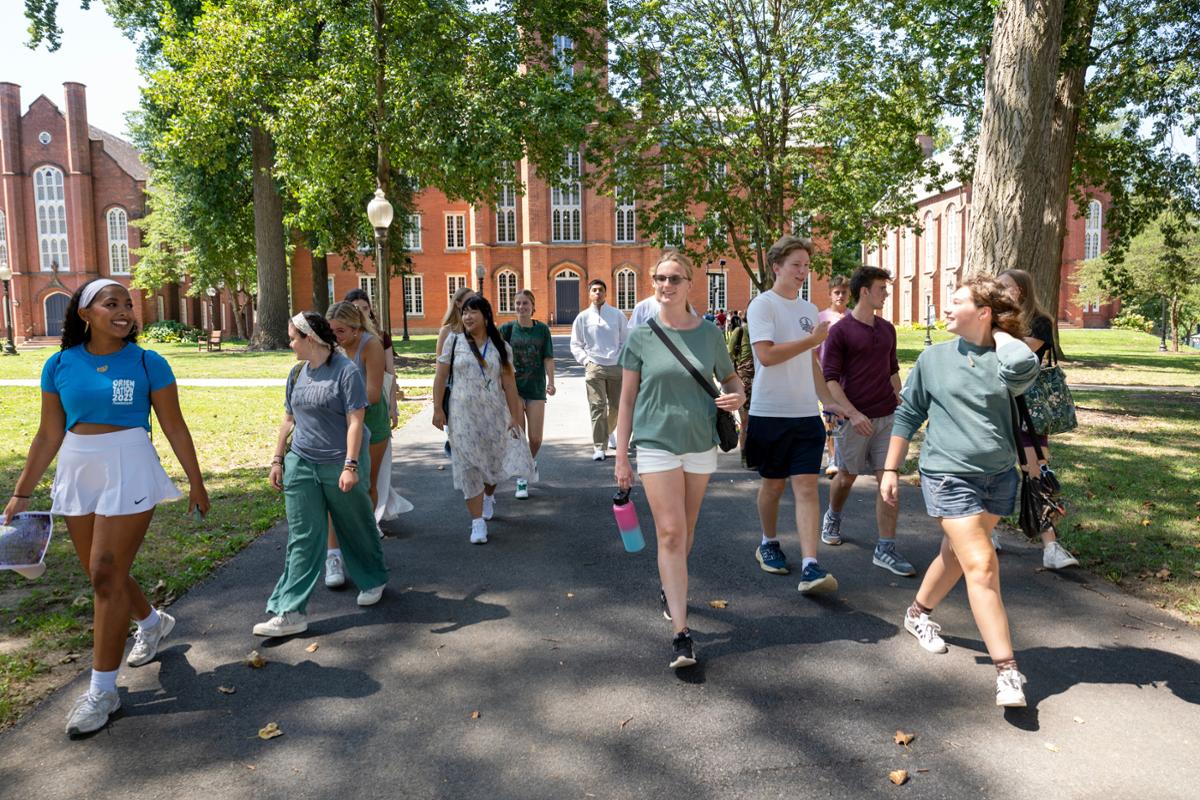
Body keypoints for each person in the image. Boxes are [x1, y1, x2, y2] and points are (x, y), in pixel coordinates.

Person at [3, 278, 209, 737]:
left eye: (127, 304)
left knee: (104, 573)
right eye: (110, 303)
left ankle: (103, 691)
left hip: (129, 463)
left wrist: (195, 482)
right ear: (84, 313)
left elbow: (174, 426)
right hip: (78, 466)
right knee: (102, 574)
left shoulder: (146, 362)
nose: (123, 311)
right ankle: (153, 623)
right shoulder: (59, 365)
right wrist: (21, 493)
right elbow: (48, 434)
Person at [880, 277, 1039, 708]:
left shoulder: (1008, 358)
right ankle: (1007, 670)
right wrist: (891, 468)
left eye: (956, 302)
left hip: (999, 476)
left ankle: (917, 615)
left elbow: (1025, 370)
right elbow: (909, 413)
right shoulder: (933, 358)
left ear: (983, 312)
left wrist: (1002, 335)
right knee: (982, 563)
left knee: (956, 554)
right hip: (947, 474)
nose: (944, 308)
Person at [614, 251, 744, 669]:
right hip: (655, 443)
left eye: (673, 278)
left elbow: (731, 378)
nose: (665, 286)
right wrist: (621, 456)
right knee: (670, 533)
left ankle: (670, 586)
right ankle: (682, 635)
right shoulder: (641, 337)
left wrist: (737, 395)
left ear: (690, 283)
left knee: (685, 532)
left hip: (700, 443)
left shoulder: (709, 335)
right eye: (658, 278)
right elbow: (627, 399)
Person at [259, 312, 389, 638]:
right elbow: (288, 420)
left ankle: (373, 578)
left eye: (293, 338)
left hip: (338, 463)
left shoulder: (345, 372)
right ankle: (290, 611)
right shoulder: (297, 373)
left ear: (311, 338)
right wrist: (277, 460)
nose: (290, 344)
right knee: (302, 537)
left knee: (355, 525)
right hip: (301, 463)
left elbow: (356, 421)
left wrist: (350, 466)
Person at [744, 236, 846, 593]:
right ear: (777, 267)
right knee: (772, 485)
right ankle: (768, 542)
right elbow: (768, 356)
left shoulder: (807, 309)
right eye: (796, 265)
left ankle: (810, 565)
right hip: (770, 413)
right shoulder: (763, 306)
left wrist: (829, 400)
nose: (803, 272)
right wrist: (812, 340)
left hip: (805, 416)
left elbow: (812, 363)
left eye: (806, 265)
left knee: (806, 487)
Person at [820, 266, 915, 576]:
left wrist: (900, 398)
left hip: (887, 418)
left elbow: (891, 371)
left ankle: (885, 547)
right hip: (854, 419)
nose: (886, 294)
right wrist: (853, 413)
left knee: (889, 481)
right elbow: (831, 379)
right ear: (864, 292)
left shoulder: (887, 329)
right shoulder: (841, 331)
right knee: (845, 476)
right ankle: (833, 514)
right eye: (881, 289)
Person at [996, 268, 1079, 570]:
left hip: (1028, 411)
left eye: (1005, 287)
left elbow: (1016, 354)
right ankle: (986, 530)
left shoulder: (1039, 322)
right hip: (997, 406)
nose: (1000, 291)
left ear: (1020, 290)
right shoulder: (995, 320)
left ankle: (1051, 546)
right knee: (991, 470)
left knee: (1037, 474)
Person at [432, 295, 534, 543]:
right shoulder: (454, 342)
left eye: (472, 312)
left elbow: (509, 384)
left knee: (493, 461)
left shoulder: (501, 346)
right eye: (464, 312)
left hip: (494, 413)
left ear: (486, 316)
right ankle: (476, 523)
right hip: (462, 415)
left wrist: (515, 416)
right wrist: (437, 408)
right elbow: (440, 376)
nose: (467, 316)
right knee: (468, 467)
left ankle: (488, 495)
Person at [322, 302, 391, 586]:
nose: (335, 336)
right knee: (335, 490)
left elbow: (373, 394)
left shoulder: (370, 344)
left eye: (341, 331)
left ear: (356, 328)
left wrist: (337, 397)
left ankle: (365, 538)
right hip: (338, 423)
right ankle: (333, 556)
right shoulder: (328, 346)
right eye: (331, 331)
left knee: (365, 487)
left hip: (371, 423)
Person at [343, 288, 410, 525]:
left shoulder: (379, 338)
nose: (361, 312)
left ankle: (373, 519)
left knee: (375, 471)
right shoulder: (339, 339)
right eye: (355, 308)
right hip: (348, 414)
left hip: (375, 406)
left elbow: (389, 374)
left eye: (364, 307)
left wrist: (393, 405)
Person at [499, 290, 556, 499]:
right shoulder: (506, 329)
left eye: (525, 303)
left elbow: (548, 357)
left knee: (535, 438)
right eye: (518, 303)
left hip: (536, 387)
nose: (521, 307)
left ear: (533, 306)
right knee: (520, 438)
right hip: (514, 389)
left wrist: (552, 381)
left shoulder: (541, 330)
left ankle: (530, 462)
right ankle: (522, 479)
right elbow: (493, 352)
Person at [569, 279, 628, 461]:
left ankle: (607, 432)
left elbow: (626, 341)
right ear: (589, 293)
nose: (597, 293)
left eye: (600, 290)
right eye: (594, 290)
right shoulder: (583, 317)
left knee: (617, 407)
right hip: (594, 366)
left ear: (606, 293)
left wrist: (620, 360)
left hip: (616, 366)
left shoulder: (617, 315)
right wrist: (586, 361)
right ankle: (599, 446)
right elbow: (576, 343)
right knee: (597, 407)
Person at [819, 275, 851, 477]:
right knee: (831, 416)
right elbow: (814, 349)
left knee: (846, 416)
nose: (840, 296)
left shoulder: (853, 317)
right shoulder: (821, 318)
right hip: (827, 375)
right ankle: (832, 457)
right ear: (830, 294)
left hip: (849, 375)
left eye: (844, 292)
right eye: (836, 292)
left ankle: (845, 456)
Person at [726, 306, 755, 462]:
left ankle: (757, 453)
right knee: (745, 421)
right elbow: (728, 357)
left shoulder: (768, 331)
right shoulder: (741, 332)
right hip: (744, 383)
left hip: (763, 383)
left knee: (760, 421)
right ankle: (745, 455)